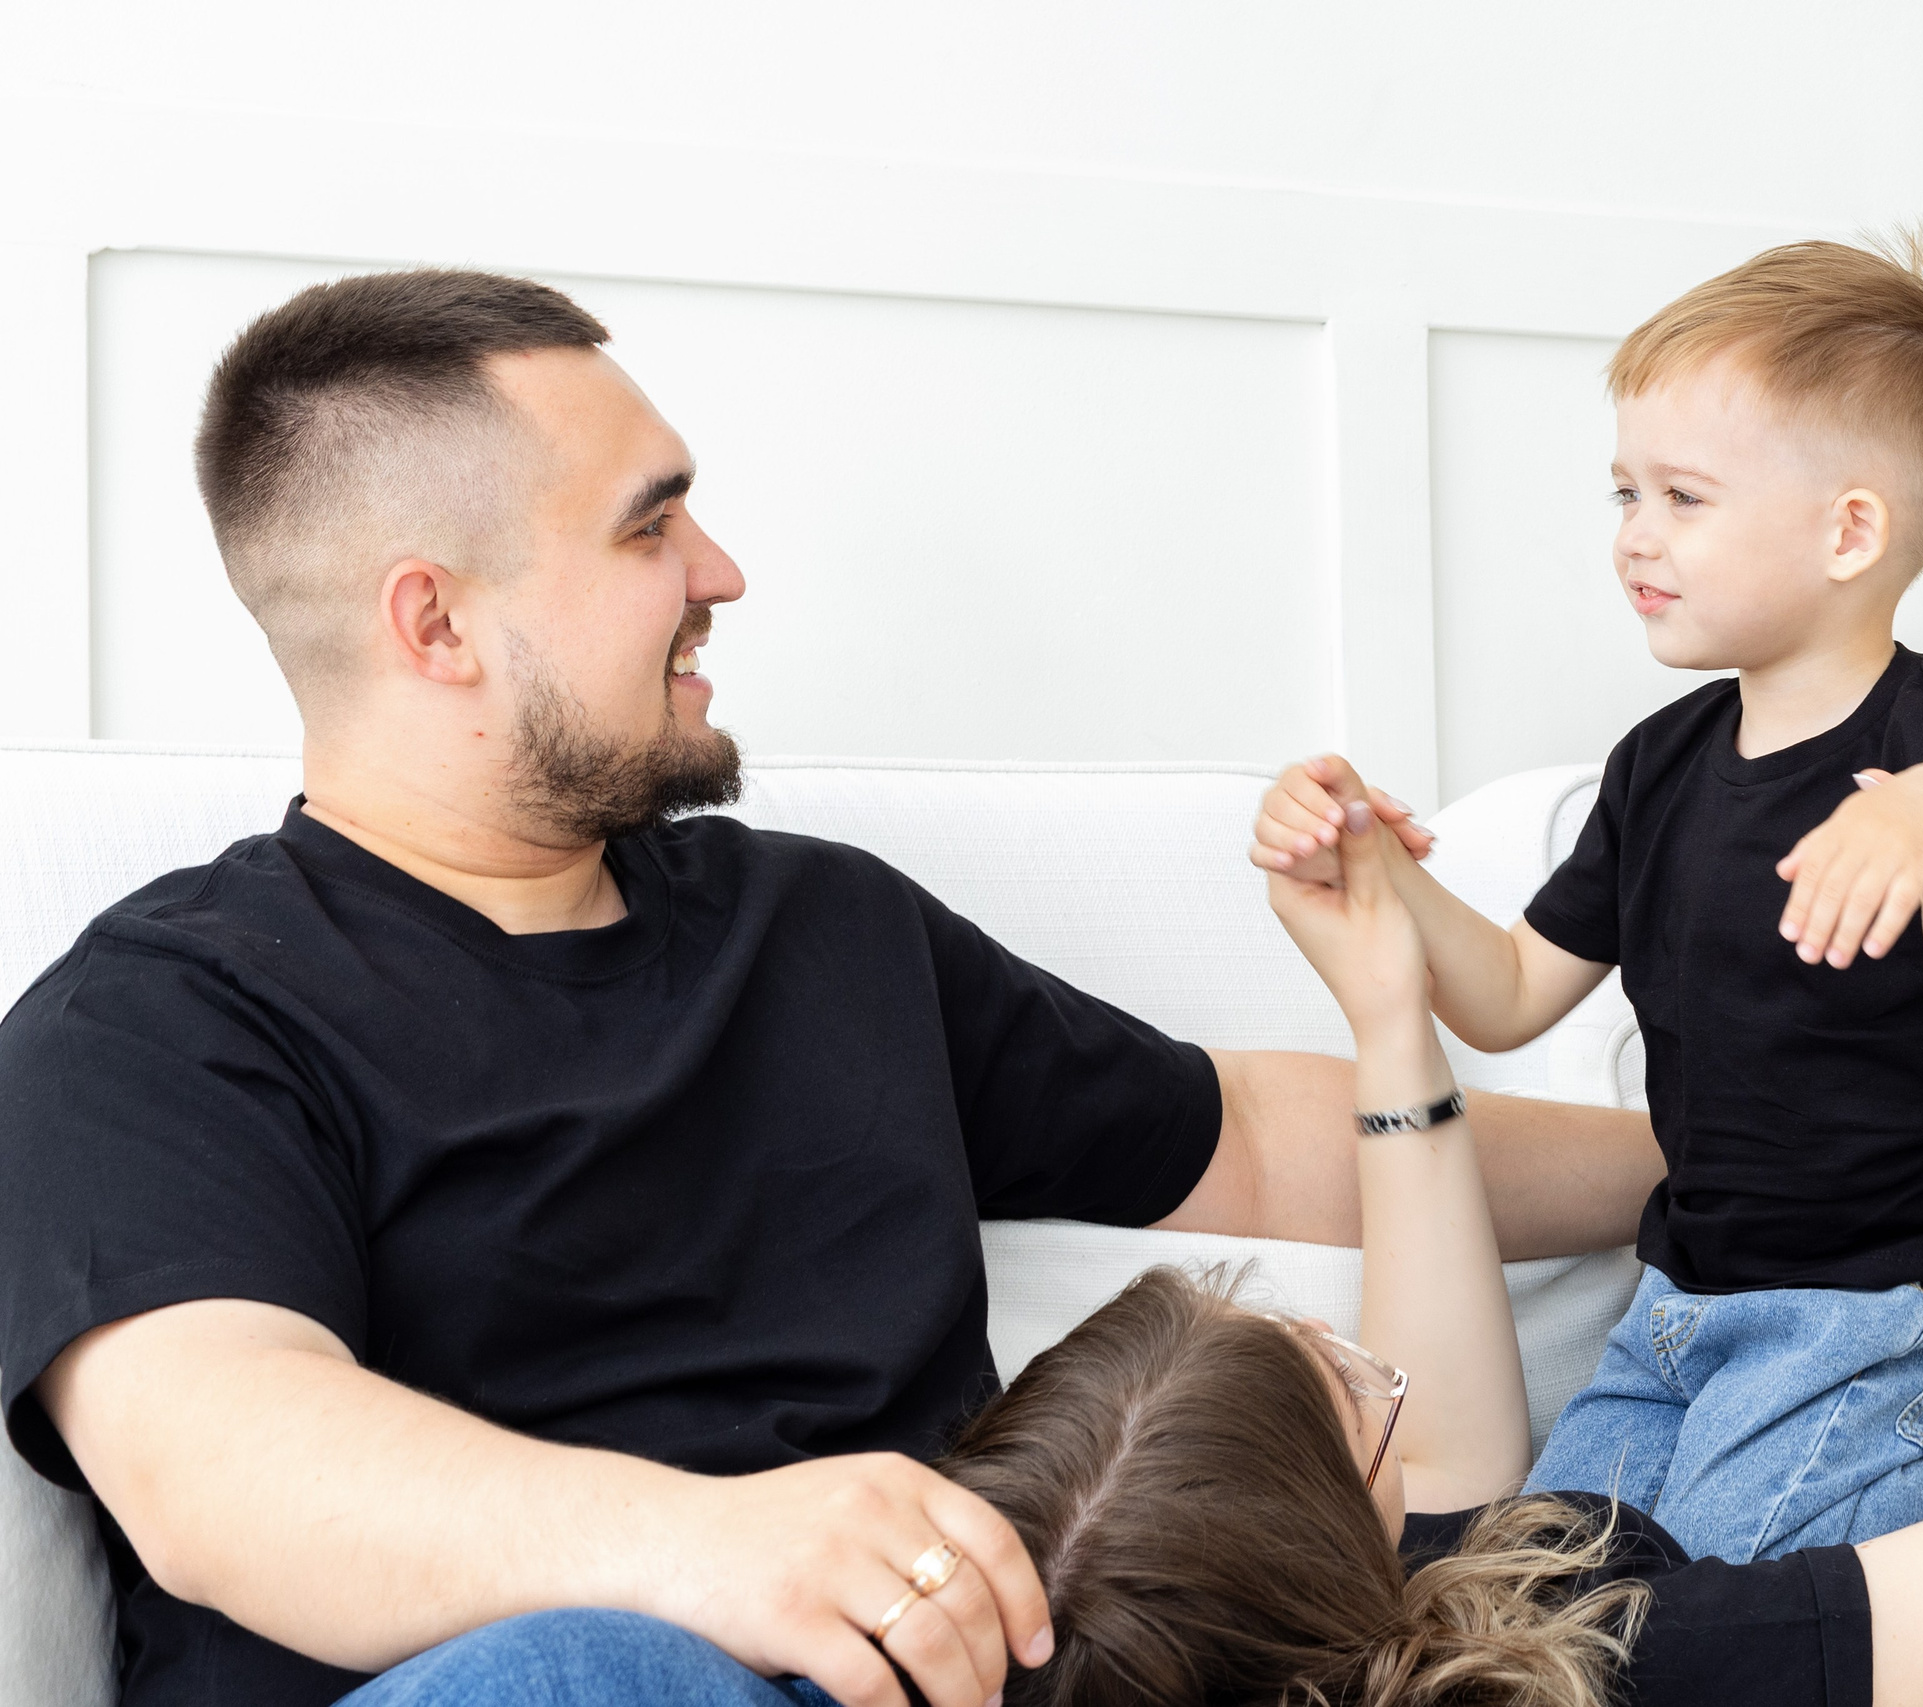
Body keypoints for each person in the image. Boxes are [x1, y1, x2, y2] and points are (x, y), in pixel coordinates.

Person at [0, 269, 1668, 1707]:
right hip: (557, 1683)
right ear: (434, 623)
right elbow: (221, 1466)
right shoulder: (166, 1021)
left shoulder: (816, 931)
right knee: (602, 1670)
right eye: (649, 523)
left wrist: (1737, 1160)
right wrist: (719, 1550)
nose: (718, 570)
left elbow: (1254, 1135)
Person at [934, 746, 1923, 1707]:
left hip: (1862, 1499)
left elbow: (1449, 1483)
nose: (1340, 1337)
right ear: (1316, 1564)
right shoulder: (1666, 1664)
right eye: (1320, 1380)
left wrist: (1389, 1012)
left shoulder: (1304, 1614)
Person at [1252, 229, 1923, 1559]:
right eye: (1624, 494)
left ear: (1852, 530)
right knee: (1521, 1592)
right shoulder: (1658, 766)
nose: (1634, 539)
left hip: (1899, 1309)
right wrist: (1382, 878)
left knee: (1715, 1610)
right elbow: (1504, 994)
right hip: (1681, 1302)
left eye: (1683, 497)